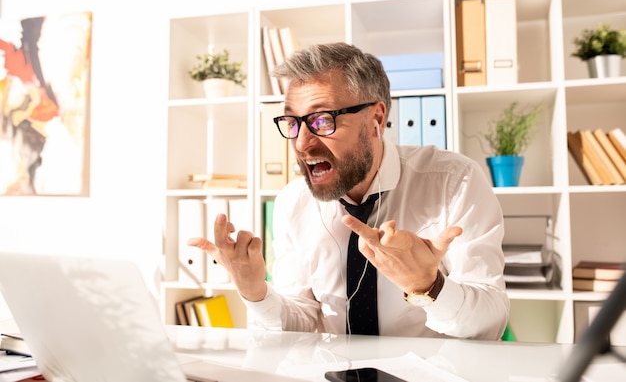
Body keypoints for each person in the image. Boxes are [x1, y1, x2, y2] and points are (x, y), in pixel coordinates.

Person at [189, 42, 510, 340]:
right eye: (293, 122)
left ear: (376, 119)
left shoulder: (455, 182)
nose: (301, 143)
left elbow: (492, 324)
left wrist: (430, 286)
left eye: (322, 121)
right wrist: (255, 292)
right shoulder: (292, 202)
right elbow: (301, 321)